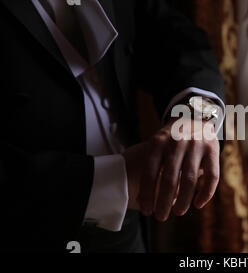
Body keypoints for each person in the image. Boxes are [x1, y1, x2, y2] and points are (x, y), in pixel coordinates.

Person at [0, 0, 225, 252]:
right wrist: (114, 180)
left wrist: (195, 114)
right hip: (28, 231)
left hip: (127, 227)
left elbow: (174, 37)